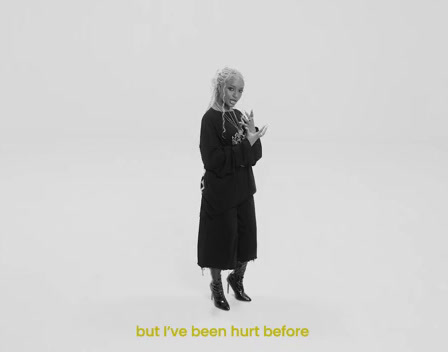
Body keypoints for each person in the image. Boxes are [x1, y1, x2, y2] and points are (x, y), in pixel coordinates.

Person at [197, 67, 268, 311]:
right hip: (220, 193)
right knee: (219, 239)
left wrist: (252, 135)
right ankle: (216, 285)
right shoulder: (210, 119)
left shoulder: (238, 115)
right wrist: (244, 146)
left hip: (243, 189)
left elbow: (253, 156)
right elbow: (212, 160)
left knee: (247, 238)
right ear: (219, 88)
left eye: (240, 90)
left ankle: (236, 278)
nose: (236, 95)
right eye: (231, 88)